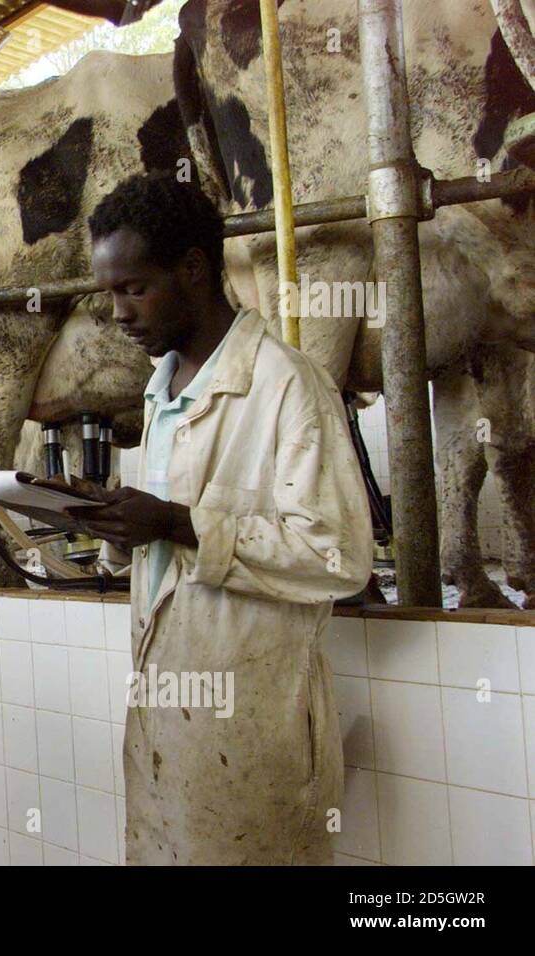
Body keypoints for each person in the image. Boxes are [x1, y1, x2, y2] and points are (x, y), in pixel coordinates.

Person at [69, 172, 373, 864]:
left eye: (133, 287)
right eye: (110, 291)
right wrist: (117, 526)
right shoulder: (163, 391)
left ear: (194, 269)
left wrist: (176, 523)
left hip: (251, 726)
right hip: (166, 724)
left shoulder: (287, 384)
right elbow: (165, 546)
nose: (119, 311)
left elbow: (339, 556)